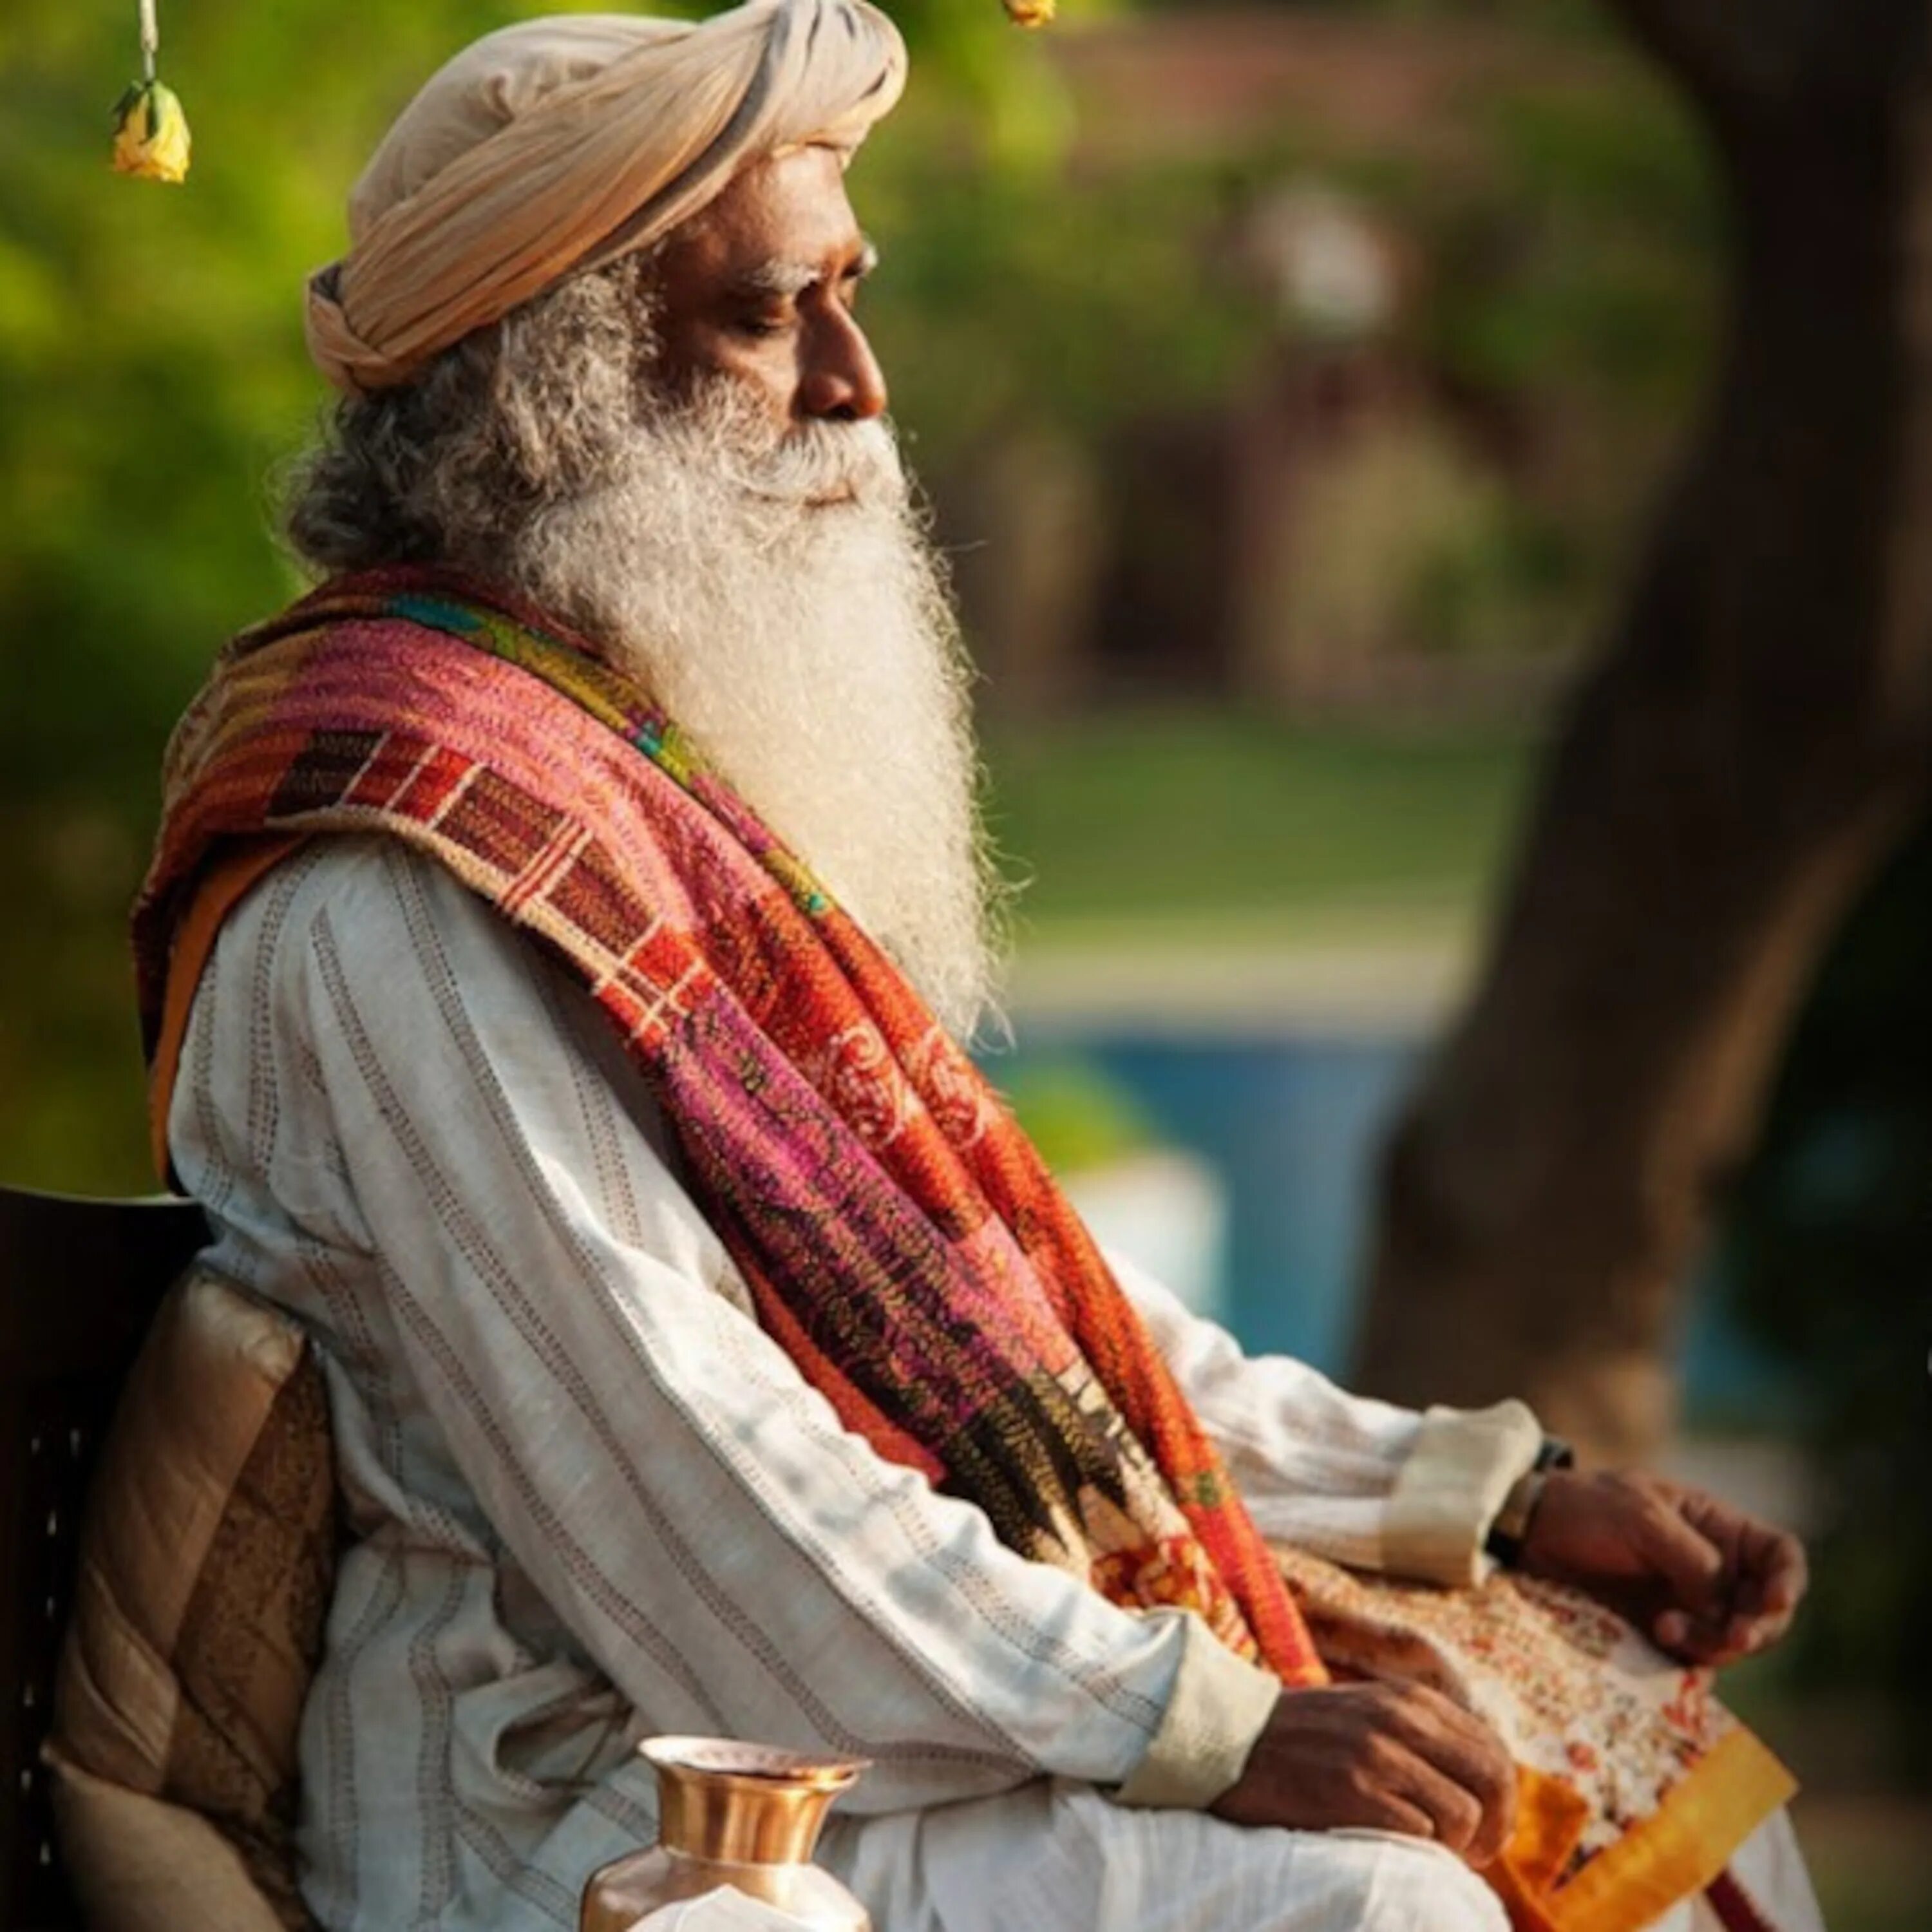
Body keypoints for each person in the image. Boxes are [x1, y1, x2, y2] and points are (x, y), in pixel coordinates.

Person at [133, 4, 1823, 1929]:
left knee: (1628, 1726)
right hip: (593, 1813)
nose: (857, 383)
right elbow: (694, 1502)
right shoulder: (394, 887)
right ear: (553, 392)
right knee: (1380, 1903)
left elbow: (1013, 1327)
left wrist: (1476, 1498)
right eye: (771, 315)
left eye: (848, 298)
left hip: (852, 1732)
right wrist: (1201, 1723)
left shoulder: (618, 790)